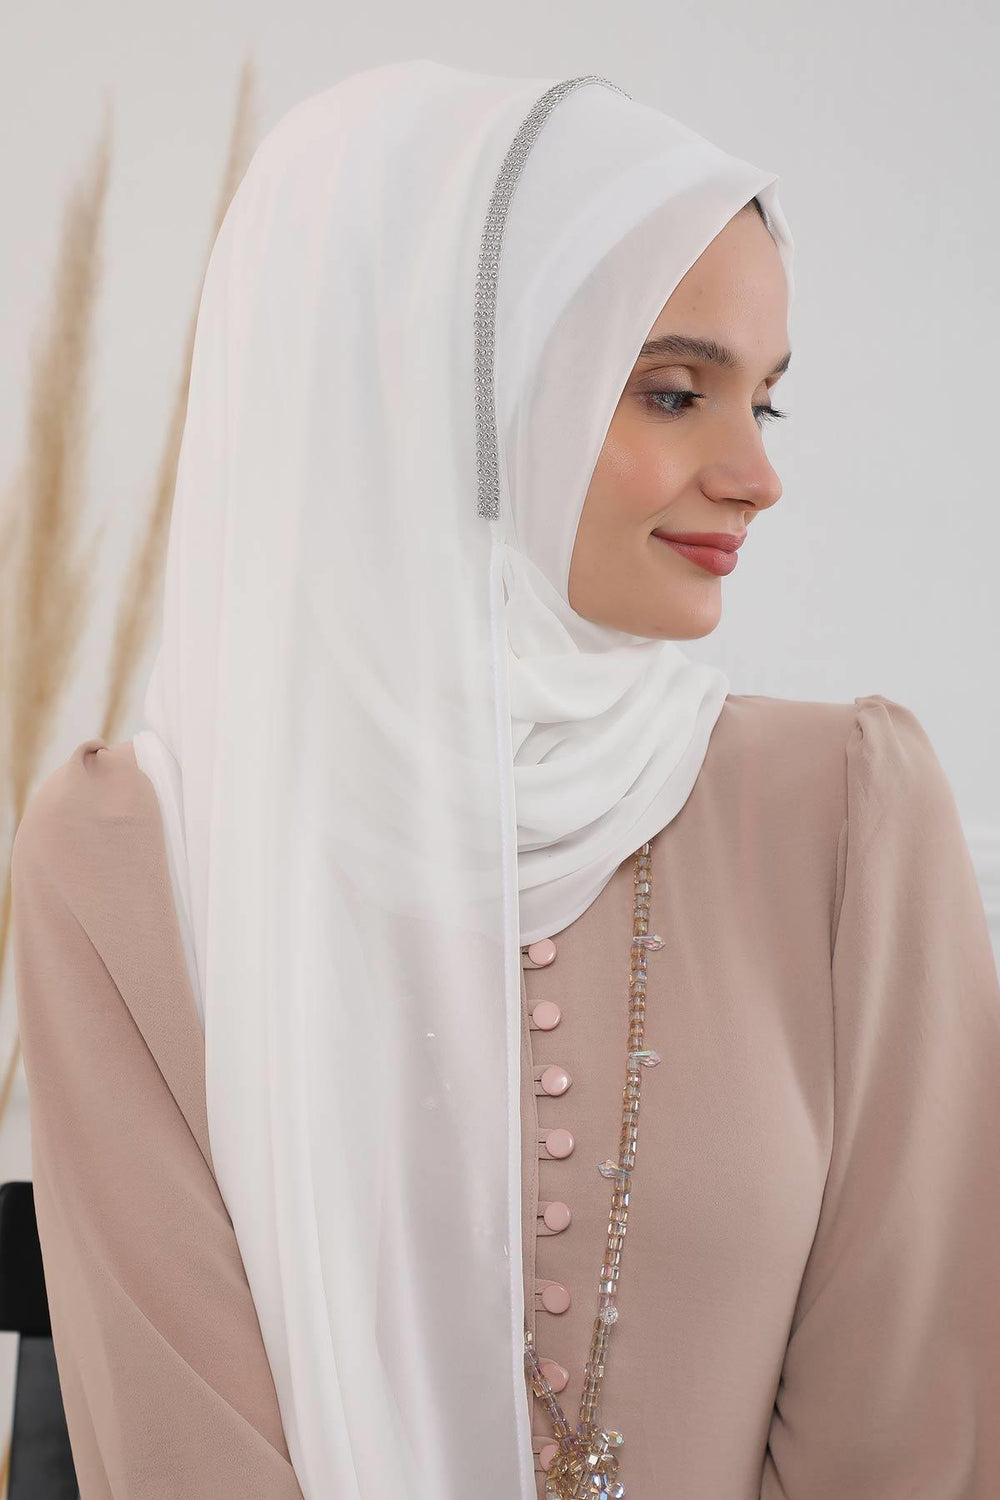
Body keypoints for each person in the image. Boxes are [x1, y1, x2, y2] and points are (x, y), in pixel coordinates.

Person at [11, 58, 1000, 1500]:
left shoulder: (848, 815)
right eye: (674, 393)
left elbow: (907, 1435)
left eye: (766, 405)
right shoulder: (128, 861)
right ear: (445, 399)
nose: (755, 474)